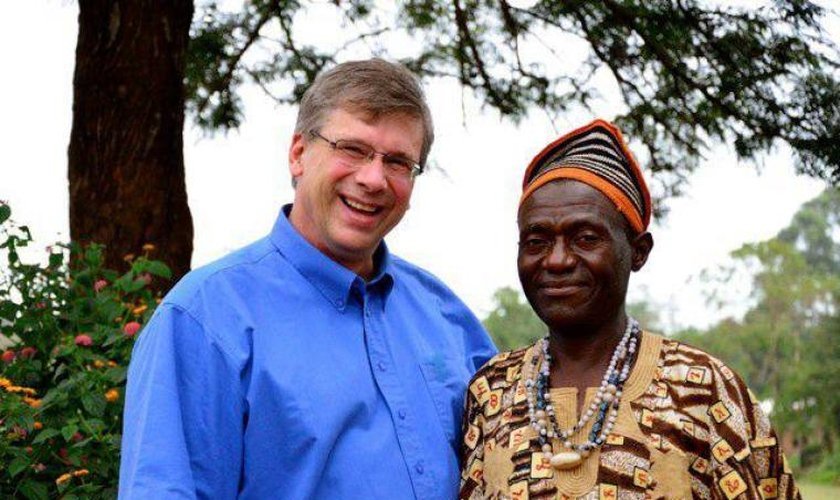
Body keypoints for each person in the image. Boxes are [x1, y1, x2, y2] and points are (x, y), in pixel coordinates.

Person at [119, 59, 496, 499]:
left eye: (397, 162)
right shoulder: (204, 319)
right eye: (352, 149)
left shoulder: (445, 315)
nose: (373, 179)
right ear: (298, 153)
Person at [459, 119, 800, 499]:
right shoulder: (492, 390)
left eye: (585, 238)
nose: (556, 260)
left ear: (638, 252)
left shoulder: (703, 390)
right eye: (536, 241)